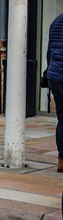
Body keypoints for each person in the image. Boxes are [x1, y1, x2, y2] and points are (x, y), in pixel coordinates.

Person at [46, 12, 63, 172]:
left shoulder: (57, 21)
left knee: (62, 119)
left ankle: (62, 160)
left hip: (56, 77)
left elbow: (49, 51)